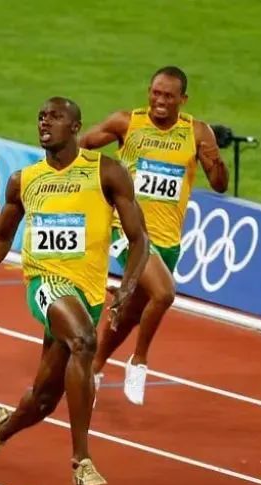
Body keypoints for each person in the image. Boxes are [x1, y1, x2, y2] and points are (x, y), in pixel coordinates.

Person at [0, 97, 149, 485]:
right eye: (41, 116)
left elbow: (139, 238)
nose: (45, 122)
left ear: (75, 127)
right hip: (45, 283)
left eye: (55, 117)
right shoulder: (24, 180)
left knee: (43, 400)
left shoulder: (106, 172)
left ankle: (1, 429)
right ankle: (82, 460)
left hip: (88, 293)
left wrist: (128, 287)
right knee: (84, 340)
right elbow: (1, 237)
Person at [79, 66, 229, 406]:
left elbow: (220, 185)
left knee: (132, 314)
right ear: (149, 92)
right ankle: (139, 361)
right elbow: (81, 146)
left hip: (168, 240)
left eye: (168, 96)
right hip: (128, 231)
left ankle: (94, 368)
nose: (160, 101)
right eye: (156, 93)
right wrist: (100, 186)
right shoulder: (126, 123)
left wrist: (216, 162)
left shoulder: (197, 132)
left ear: (182, 99)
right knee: (164, 293)